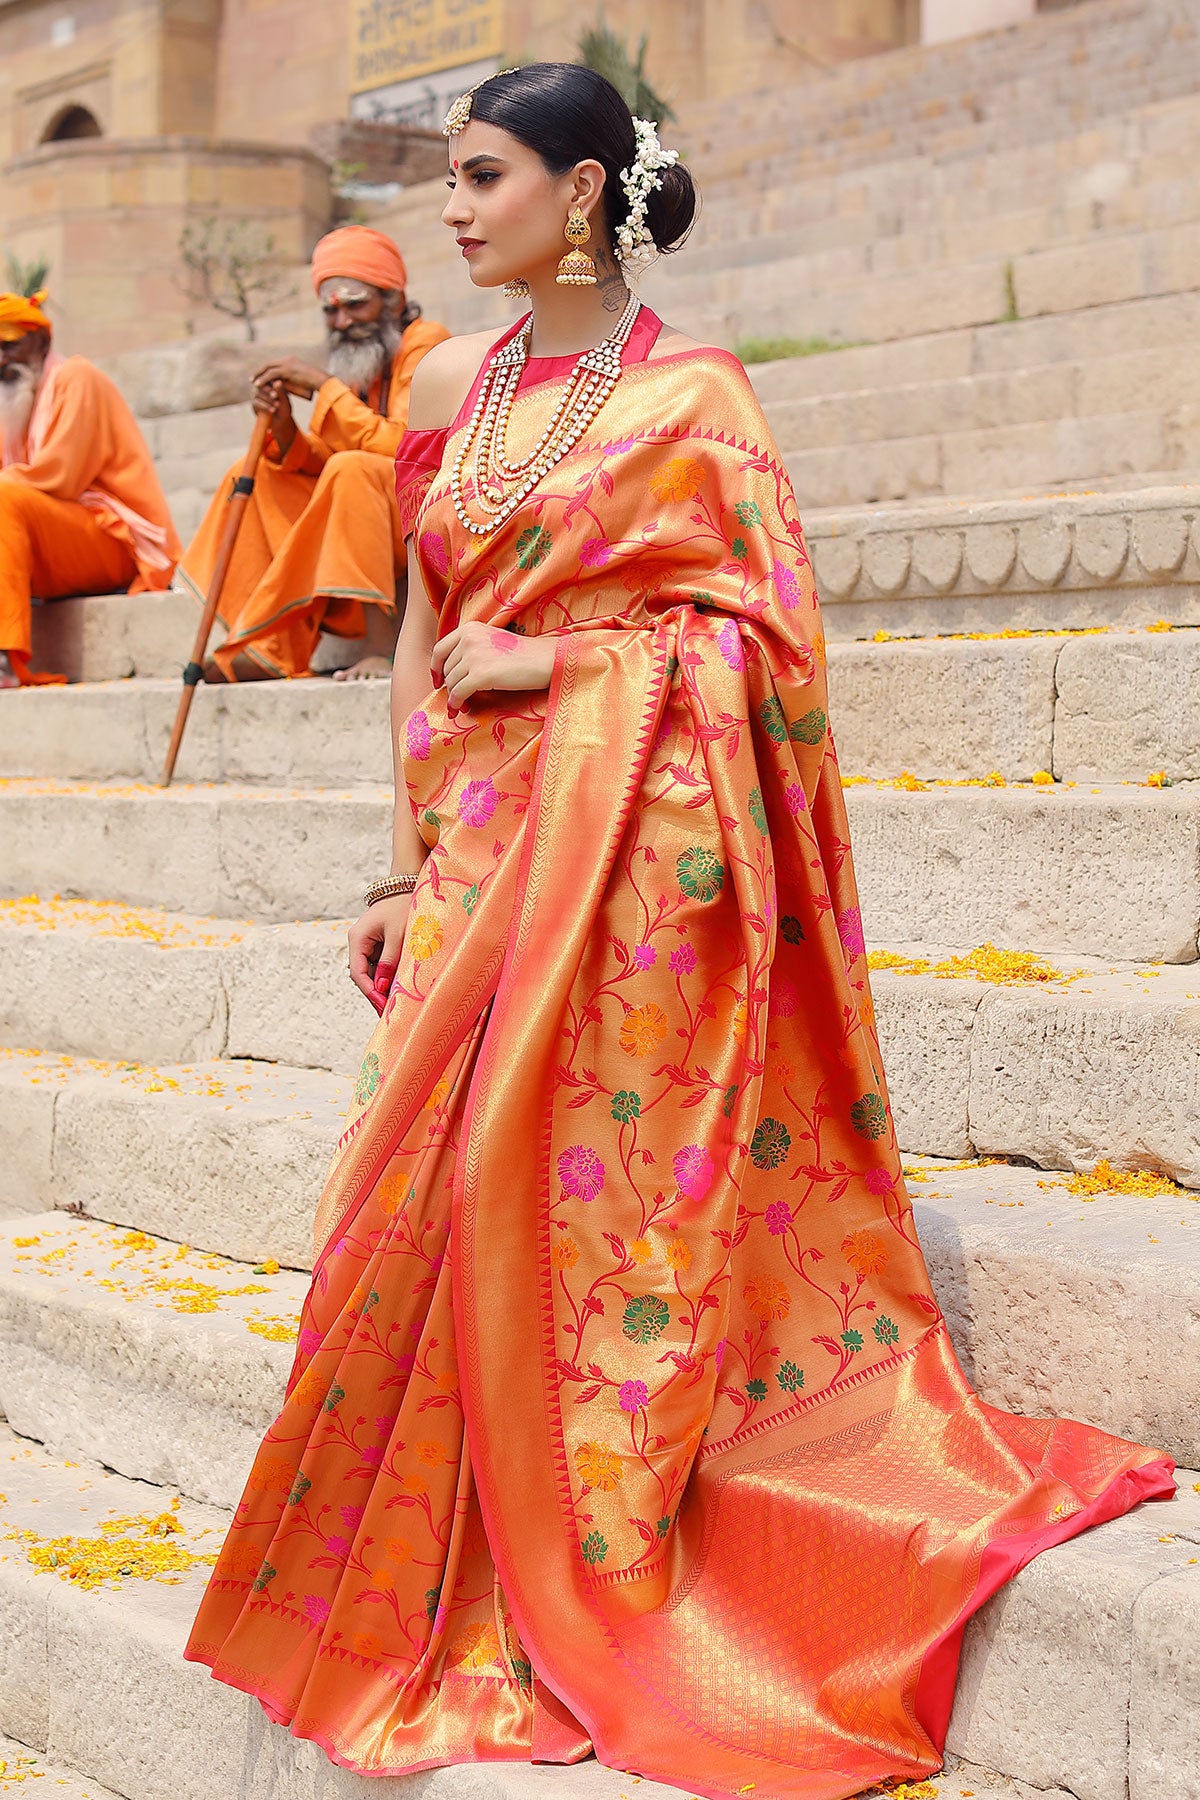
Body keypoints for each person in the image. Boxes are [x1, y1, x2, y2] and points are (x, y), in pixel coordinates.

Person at [186, 65, 1173, 1797]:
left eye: (484, 176)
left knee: (578, 1202)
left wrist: (574, 663)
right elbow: (425, 642)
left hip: (642, 871)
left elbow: (768, 659)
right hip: (484, 860)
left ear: (582, 192)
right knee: (406, 1203)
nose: (453, 206)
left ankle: (607, 1540)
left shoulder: (700, 402)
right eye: (450, 177)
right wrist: (400, 866)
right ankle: (431, 1572)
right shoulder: (452, 386)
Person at [178, 226, 451, 683]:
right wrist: (284, 425)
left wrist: (324, 390)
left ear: (394, 303)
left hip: (433, 507)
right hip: (371, 504)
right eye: (331, 310)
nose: (343, 321)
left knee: (353, 470)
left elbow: (407, 451)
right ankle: (270, 645)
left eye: (355, 304)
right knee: (253, 475)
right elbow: (324, 458)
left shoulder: (425, 341)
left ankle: (385, 649)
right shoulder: (362, 357)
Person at [0, 288, 179, 690]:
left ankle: (3, 661)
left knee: (3, 497)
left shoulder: (76, 378)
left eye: (9, 346)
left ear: (42, 342)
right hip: (51, 538)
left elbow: (60, 477)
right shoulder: (8, 401)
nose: (1, 359)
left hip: (114, 540)